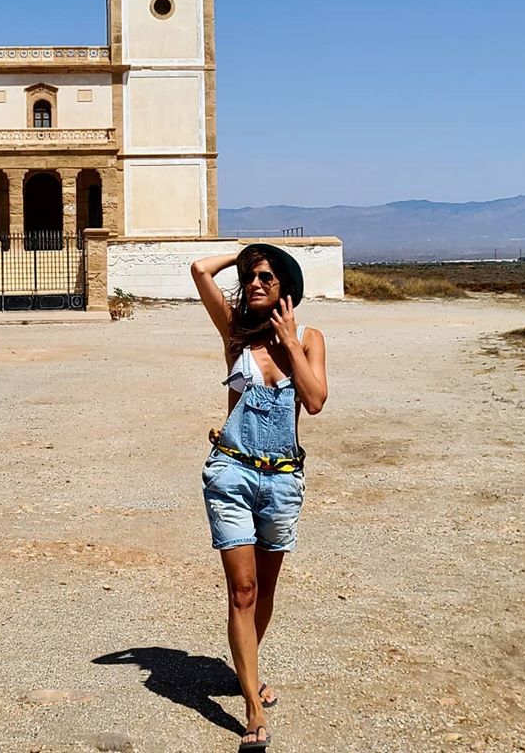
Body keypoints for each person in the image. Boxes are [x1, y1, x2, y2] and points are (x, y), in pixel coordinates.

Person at [190, 244, 328, 752]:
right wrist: (245, 252)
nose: (254, 282)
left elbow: (313, 401)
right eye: (250, 276)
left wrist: (291, 344)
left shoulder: (310, 339)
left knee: (265, 593)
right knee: (243, 592)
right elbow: (200, 270)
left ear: (286, 285)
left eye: (266, 275)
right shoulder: (235, 333)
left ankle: (245, 669)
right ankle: (251, 706)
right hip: (231, 472)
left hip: (283, 479)